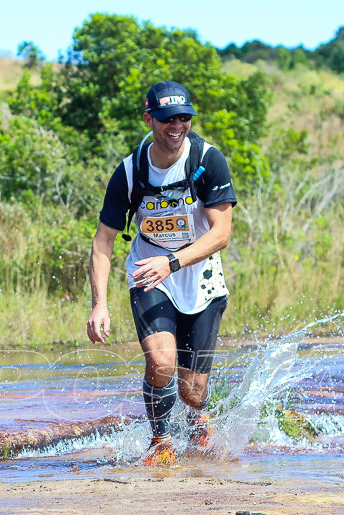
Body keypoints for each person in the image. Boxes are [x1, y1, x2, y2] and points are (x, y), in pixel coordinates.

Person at [86, 81, 235, 466]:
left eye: (184, 118)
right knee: (161, 362)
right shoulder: (131, 170)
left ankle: (200, 416)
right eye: (168, 118)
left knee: (192, 391)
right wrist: (99, 304)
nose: (177, 125)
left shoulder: (206, 160)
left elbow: (221, 234)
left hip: (201, 280)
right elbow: (103, 240)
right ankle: (160, 441)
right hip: (150, 277)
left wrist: (172, 261)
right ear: (149, 118)